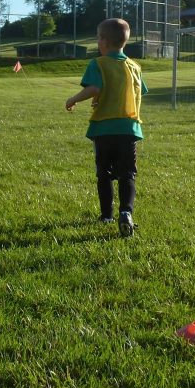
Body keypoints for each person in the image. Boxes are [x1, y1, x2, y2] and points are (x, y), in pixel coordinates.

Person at [65, 18, 147, 238]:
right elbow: (137, 92)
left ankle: (107, 215)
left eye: (98, 38)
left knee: (104, 174)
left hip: (103, 129)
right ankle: (126, 212)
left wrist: (73, 99)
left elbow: (93, 87)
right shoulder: (134, 67)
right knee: (127, 174)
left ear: (103, 41)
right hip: (128, 129)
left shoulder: (98, 63)